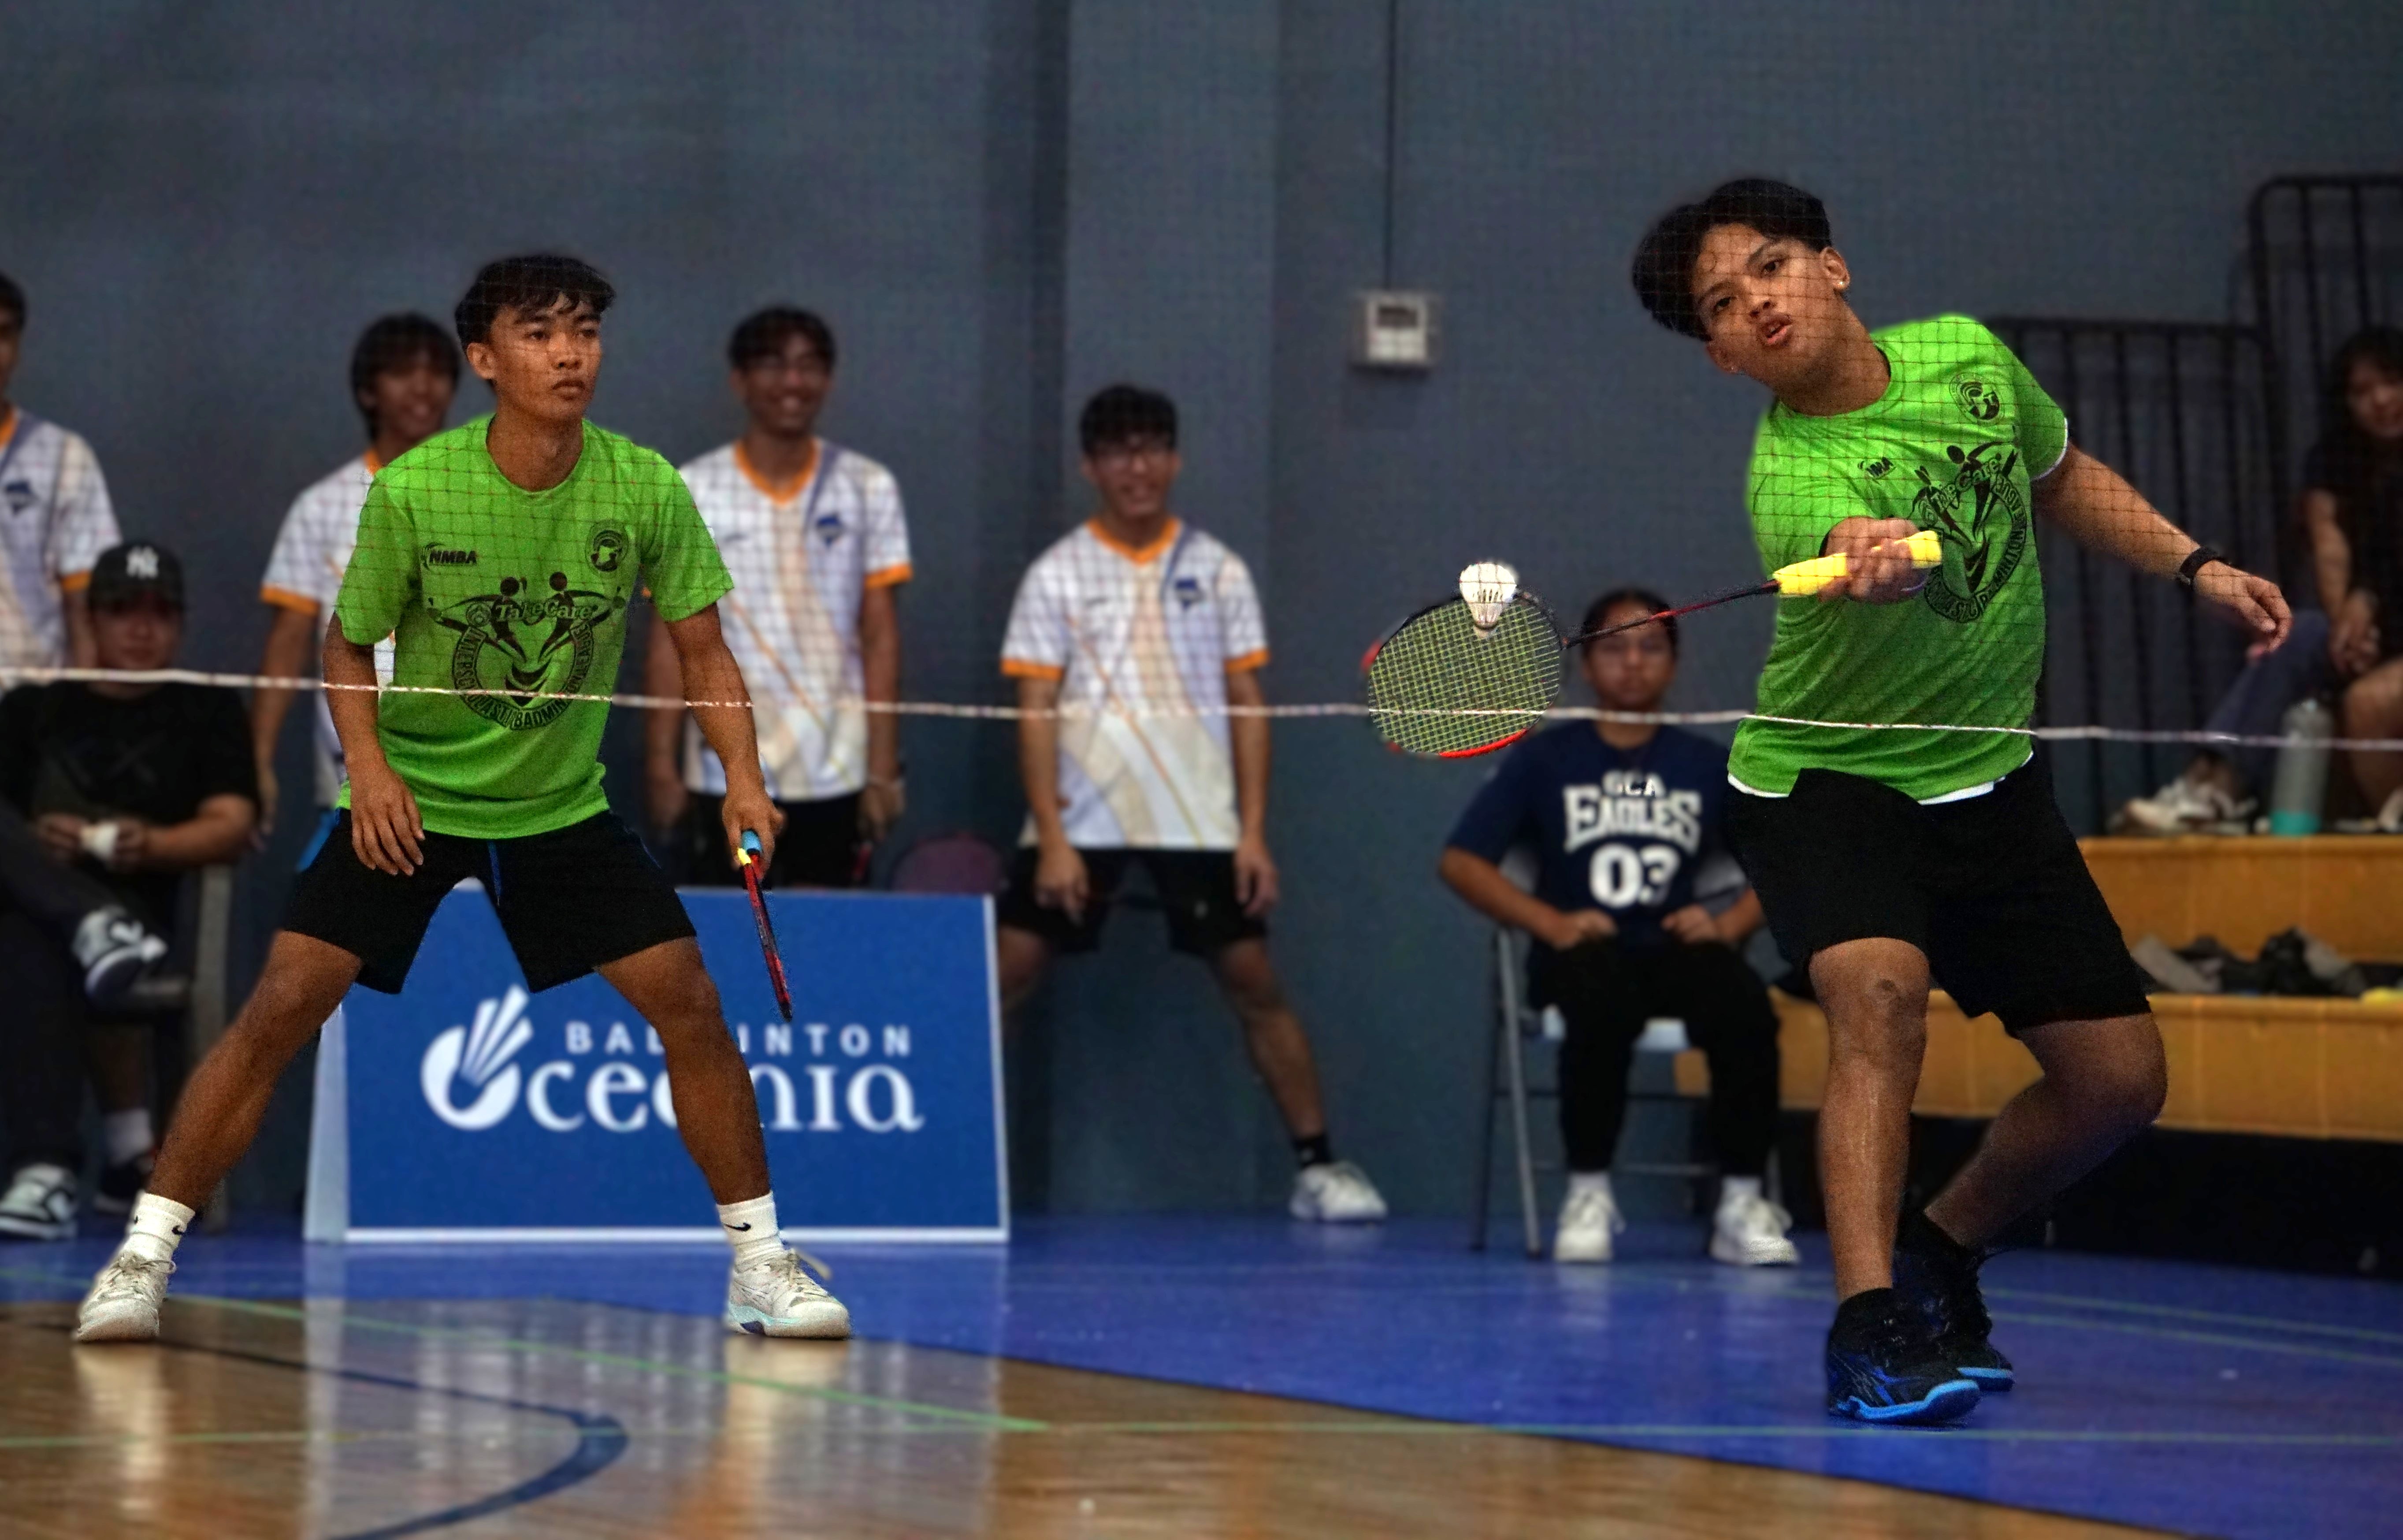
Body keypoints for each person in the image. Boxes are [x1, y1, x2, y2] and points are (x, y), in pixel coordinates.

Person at [75, 255, 849, 1344]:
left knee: (691, 1004)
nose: (570, 351)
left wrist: (745, 779)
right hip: (414, 800)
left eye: (584, 330)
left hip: (559, 808)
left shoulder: (642, 487)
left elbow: (703, 649)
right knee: (282, 1006)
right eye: (539, 333)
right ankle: (142, 1256)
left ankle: (760, 1267)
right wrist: (372, 771)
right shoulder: (418, 490)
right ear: (486, 360)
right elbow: (345, 646)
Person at [1630, 179, 2289, 1424]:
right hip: (1827, 780)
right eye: (1723, 304)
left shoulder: (1967, 358)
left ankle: (1941, 1244)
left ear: (1831, 267)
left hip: (1984, 776)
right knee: (1877, 998)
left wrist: (2194, 564)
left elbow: (2058, 475)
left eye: (1767, 267)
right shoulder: (1786, 472)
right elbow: (1852, 555)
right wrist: (1864, 557)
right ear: (1720, 356)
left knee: (2115, 1080)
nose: (1754, 302)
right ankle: (1869, 1323)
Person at [996, 384, 1385, 1223]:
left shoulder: (1217, 570)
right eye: (1116, 451)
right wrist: (1053, 838)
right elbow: (1032, 712)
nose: (1135, 466)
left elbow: (1247, 703)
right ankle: (942, 1151)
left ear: (1172, 461)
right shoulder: (1057, 574)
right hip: (1082, 817)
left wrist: (1252, 834)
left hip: (1196, 821)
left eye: (1150, 448)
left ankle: (1319, 1167)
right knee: (1005, 975)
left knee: (1253, 981)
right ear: (1090, 466)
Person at [1439, 588, 1795, 1268]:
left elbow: (1779, 871)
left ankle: (1741, 1205)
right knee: (1596, 1000)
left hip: (1676, 951)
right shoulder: (1544, 760)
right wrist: (1550, 920)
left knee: (1746, 1006)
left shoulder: (1704, 763)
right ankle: (1588, 1191)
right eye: (1613, 646)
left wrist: (1727, 923)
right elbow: (1461, 861)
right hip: (1585, 951)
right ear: (1586, 664)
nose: (1632, 662)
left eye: (1649, 646)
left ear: (1672, 662)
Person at [0, 543, 256, 1239]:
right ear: (92, 618)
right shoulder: (34, 709)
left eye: (159, 611)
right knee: (29, 924)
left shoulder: (205, 709)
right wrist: (39, 841)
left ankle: (45, 1171)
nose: (141, 628)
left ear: (180, 622)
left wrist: (155, 842)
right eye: (123, 610)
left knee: (33, 940)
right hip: (39, 909)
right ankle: (89, 920)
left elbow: (234, 820)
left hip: (147, 922)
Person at [646, 307, 908, 888]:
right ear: (740, 380)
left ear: (829, 380)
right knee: (731, 939)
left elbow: (879, 635)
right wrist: (662, 763)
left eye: (809, 366)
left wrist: (883, 767)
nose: (792, 382)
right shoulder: (694, 488)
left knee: (824, 942)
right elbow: (673, 639)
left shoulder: (867, 485)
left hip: (834, 767)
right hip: (723, 769)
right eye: (773, 364)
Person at [2119, 327, 2403, 831]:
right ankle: (2208, 789)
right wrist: (2348, 631)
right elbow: (2330, 550)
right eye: (2360, 392)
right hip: (2372, 632)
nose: (2379, 401)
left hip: (2387, 619)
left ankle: (2211, 793)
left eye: (2390, 381)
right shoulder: (2335, 463)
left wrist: (2364, 606)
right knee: (2298, 634)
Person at [252, 314, 461, 848]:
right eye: (402, 372)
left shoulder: (485, 498)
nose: (423, 386)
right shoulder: (322, 507)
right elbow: (288, 642)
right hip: (356, 775)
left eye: (436, 372)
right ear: (369, 392)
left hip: (468, 772)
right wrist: (257, 758)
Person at [0, 270, 123, 674]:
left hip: (29, 710)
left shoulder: (63, 457)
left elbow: (85, 606)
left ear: (18, 345)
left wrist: (83, 720)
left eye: (3, 335)